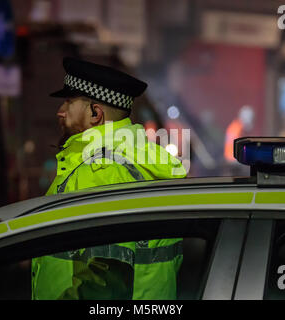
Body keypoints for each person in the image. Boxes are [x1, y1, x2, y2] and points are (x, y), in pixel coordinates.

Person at [31, 57, 187, 300]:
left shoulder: (102, 170)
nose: (60, 112)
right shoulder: (135, 158)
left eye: (69, 102)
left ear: (95, 113)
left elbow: (106, 285)